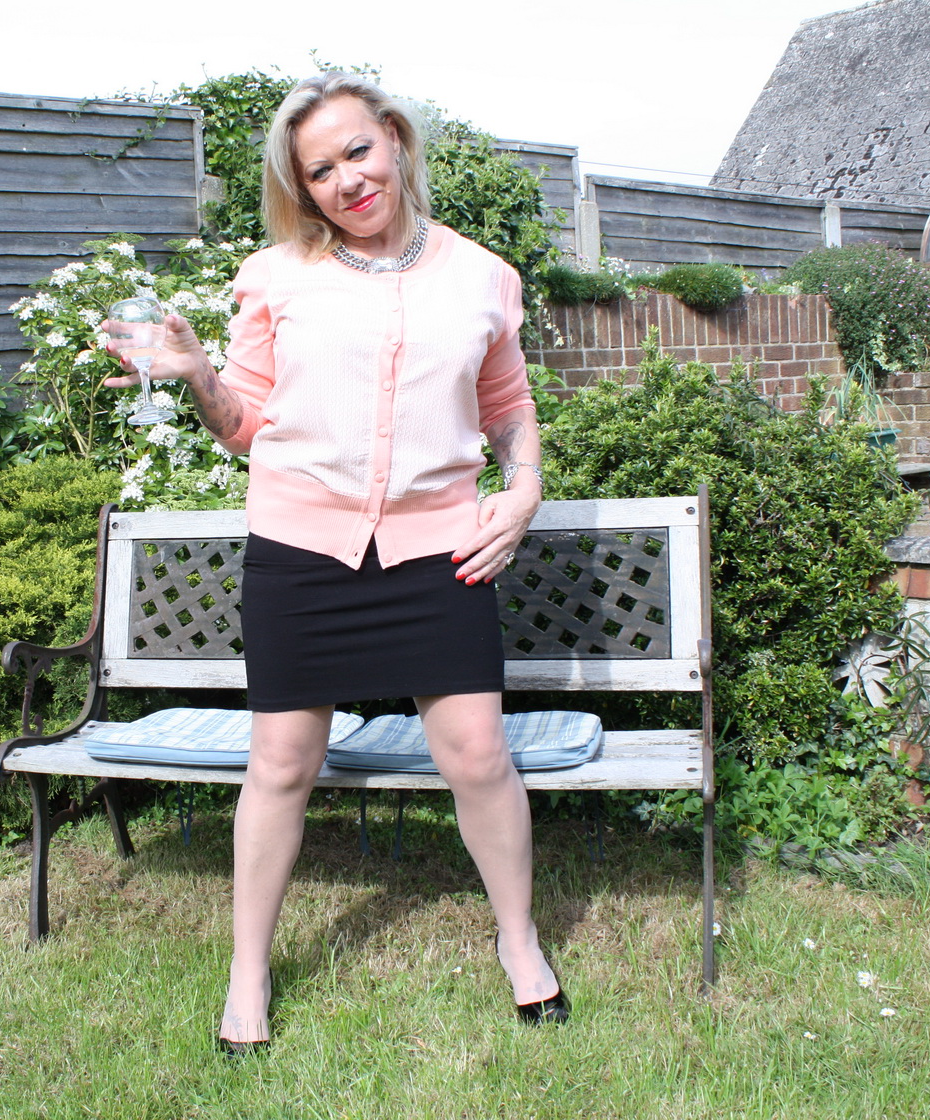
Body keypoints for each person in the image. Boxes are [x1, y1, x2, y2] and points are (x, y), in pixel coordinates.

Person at [102, 72, 566, 1053]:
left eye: (358, 151)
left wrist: (522, 490)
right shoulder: (275, 277)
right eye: (320, 171)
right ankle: (248, 972)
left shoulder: (482, 275)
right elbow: (244, 427)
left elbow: (508, 405)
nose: (348, 180)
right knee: (280, 763)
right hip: (302, 551)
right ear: (301, 187)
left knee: (479, 755)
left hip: (437, 546)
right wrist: (199, 375)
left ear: (393, 139)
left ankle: (519, 941)